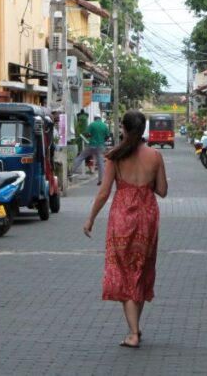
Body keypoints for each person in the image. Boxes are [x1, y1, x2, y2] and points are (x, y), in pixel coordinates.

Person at [83, 110, 168, 348]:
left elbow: (104, 192)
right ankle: (135, 328)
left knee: (123, 271)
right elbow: (162, 190)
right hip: (147, 217)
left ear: (123, 128)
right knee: (141, 269)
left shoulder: (115, 156)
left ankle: (133, 333)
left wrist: (90, 219)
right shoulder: (155, 155)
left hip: (122, 217)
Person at [72, 115, 110, 185]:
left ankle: (71, 172)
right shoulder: (104, 126)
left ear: (94, 119)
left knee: (80, 157)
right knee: (101, 162)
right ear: (100, 119)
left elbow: (87, 134)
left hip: (92, 145)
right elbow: (107, 136)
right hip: (101, 146)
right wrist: (102, 140)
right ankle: (101, 180)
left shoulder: (92, 124)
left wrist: (91, 136)